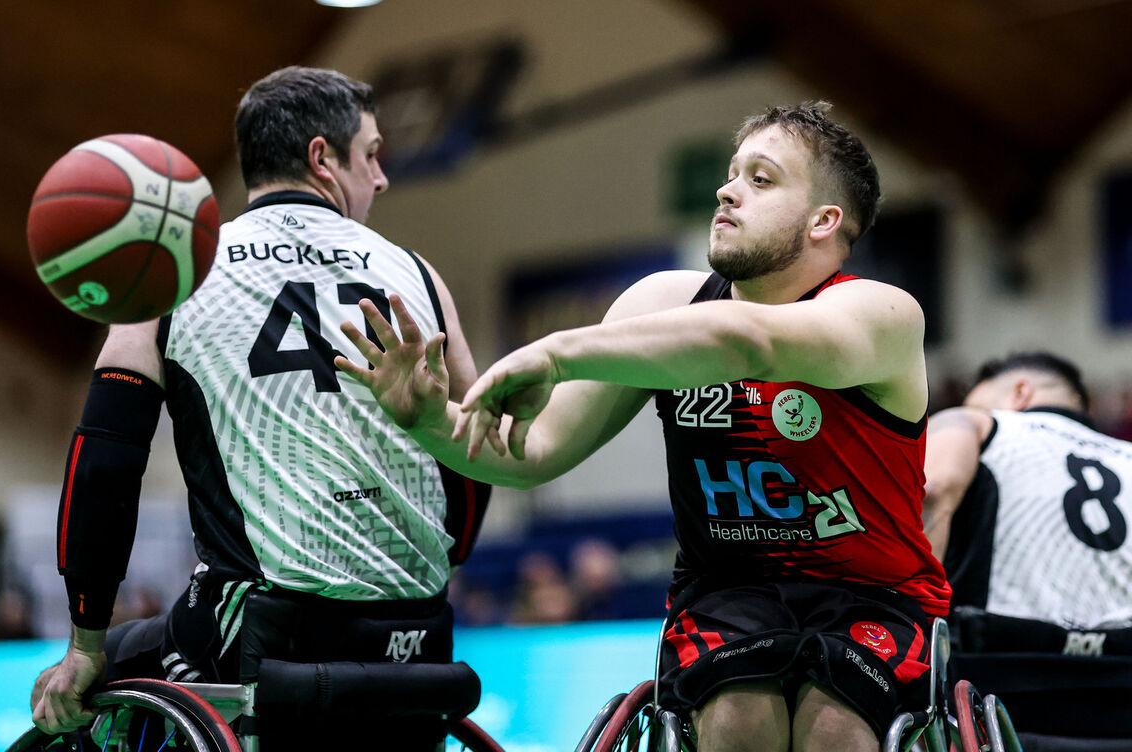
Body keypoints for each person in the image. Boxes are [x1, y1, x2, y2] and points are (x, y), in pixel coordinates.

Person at [336, 101, 948, 751]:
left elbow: (750, 343)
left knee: (838, 729)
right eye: (732, 174)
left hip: (873, 597)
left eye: (761, 179)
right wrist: (431, 421)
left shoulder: (881, 313)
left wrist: (556, 352)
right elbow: (532, 452)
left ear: (824, 220)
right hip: (727, 596)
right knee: (737, 717)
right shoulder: (661, 304)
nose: (727, 191)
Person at [30, 65, 489, 750]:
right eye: (372, 154)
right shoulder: (418, 275)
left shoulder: (174, 271)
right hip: (419, 641)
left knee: (102, 665)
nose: (382, 177)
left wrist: (85, 640)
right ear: (322, 158)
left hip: (270, 639)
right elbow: (475, 461)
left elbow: (104, 464)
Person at [922, 352, 1132, 742]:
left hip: (997, 691)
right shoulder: (1127, 456)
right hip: (1121, 692)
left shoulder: (978, 423)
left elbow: (933, 490)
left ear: (1021, 392)